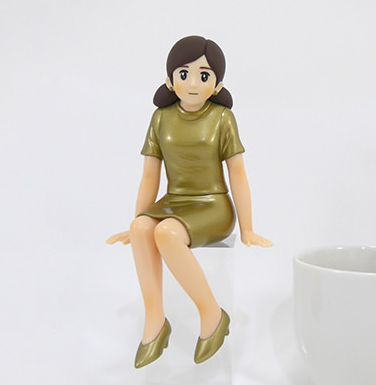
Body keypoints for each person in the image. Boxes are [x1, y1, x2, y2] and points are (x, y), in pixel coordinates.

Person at [107, 36, 272, 368]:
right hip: (174, 201)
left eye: (204, 75)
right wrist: (137, 218)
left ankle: (212, 313)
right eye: (184, 74)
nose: (193, 84)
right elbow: (150, 177)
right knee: (141, 229)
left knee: (167, 233)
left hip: (212, 206)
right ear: (170, 80)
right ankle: (155, 321)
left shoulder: (222, 118)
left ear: (217, 85)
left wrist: (247, 228)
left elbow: (238, 174)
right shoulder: (160, 118)